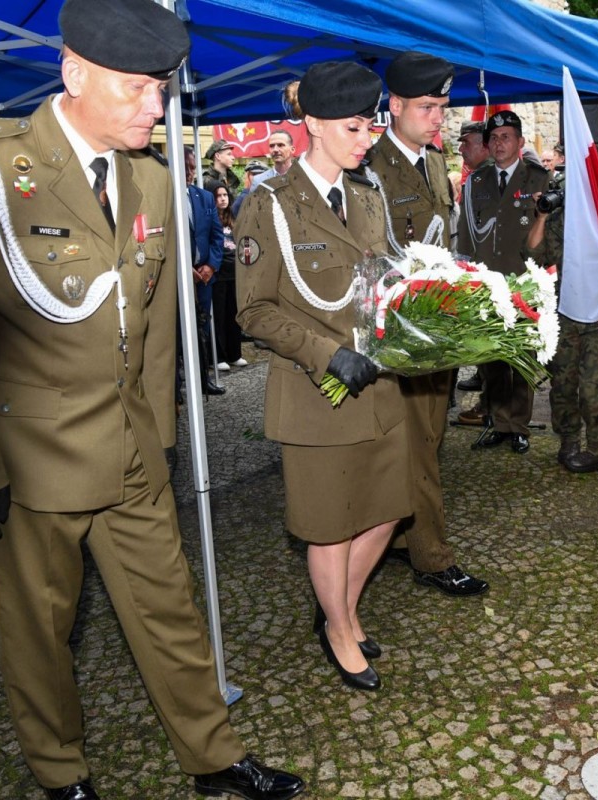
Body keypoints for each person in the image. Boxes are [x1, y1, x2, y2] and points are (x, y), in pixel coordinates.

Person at [0, 1, 306, 797]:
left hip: (130, 452)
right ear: (74, 72)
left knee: (171, 611)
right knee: (39, 632)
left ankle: (213, 755)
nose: (156, 108)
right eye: (136, 89)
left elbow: (157, 328)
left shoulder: (150, 178)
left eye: (162, 89)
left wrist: (157, 434)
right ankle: (61, 773)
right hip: (29, 464)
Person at [235, 60, 410, 692]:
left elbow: (384, 278)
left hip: (378, 384)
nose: (367, 140)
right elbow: (252, 309)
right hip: (318, 391)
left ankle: (339, 605)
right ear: (311, 123)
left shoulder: (367, 196)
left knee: (388, 511)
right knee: (330, 524)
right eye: (355, 127)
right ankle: (340, 628)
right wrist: (324, 353)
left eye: (372, 125)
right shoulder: (269, 204)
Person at [367, 50, 489, 598]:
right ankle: (430, 553)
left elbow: (445, 239)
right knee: (417, 444)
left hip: (438, 320)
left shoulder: (434, 161)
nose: (439, 117)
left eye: (442, 106)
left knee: (430, 435)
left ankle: (395, 533)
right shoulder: (367, 166)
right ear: (394, 105)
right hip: (400, 326)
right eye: (426, 106)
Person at [455, 111, 550, 453]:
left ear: (521, 143)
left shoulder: (538, 179)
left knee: (522, 360)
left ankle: (520, 426)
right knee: (491, 360)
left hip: (523, 283)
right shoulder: (476, 183)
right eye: (494, 138)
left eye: (506, 137)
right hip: (487, 286)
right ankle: (499, 422)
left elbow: (548, 233)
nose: (498, 143)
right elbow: (466, 236)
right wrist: (463, 276)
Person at [526, 167, 598, 474]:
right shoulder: (557, 218)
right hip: (567, 310)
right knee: (563, 384)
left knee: (596, 388)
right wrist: (541, 215)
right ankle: (568, 440)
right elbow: (531, 255)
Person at [452, 120, 491, 400]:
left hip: (495, 275)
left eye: (467, 142)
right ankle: (491, 407)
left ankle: (503, 416)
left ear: (483, 145)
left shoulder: (494, 178)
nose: (461, 148)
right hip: (475, 274)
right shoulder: (473, 180)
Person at [184, 146, 225, 397]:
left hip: (205, 277)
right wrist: (184, 269)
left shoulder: (205, 197)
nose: (190, 172)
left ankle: (203, 379)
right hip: (180, 277)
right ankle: (180, 385)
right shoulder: (164, 198)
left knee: (203, 327)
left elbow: (216, 235)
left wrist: (210, 265)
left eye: (192, 167)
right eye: (185, 167)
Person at [205, 180, 247, 370]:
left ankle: (234, 353)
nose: (222, 199)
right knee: (219, 316)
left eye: (224, 195)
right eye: (218, 196)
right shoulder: (210, 218)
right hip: (218, 274)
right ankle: (219, 355)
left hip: (234, 273)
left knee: (234, 314)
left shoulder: (233, 217)